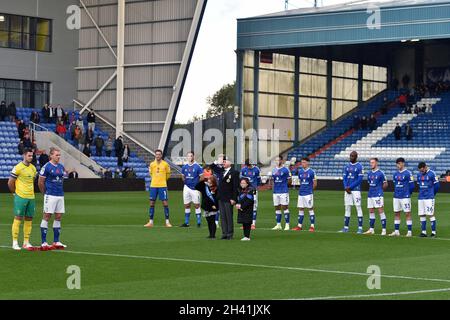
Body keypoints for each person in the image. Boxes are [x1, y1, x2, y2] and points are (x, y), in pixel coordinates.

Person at [8, 149, 38, 250]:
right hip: (20, 196)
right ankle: (15, 242)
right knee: (18, 218)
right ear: (24, 155)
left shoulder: (33, 168)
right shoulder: (17, 168)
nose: (31, 157)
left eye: (32, 156)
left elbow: (32, 180)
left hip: (31, 197)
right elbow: (10, 182)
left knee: (29, 218)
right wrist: (14, 193)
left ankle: (26, 242)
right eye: (29, 155)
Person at [38, 147, 67, 250]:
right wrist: (45, 193)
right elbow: (40, 182)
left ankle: (56, 241)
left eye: (59, 155)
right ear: (51, 155)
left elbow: (62, 180)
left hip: (60, 195)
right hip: (50, 195)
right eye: (56, 155)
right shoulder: (46, 167)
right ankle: (44, 242)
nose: (58, 157)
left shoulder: (61, 167)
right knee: (47, 216)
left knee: (58, 216)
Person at [145, 149, 172, 228]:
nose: (158, 156)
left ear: (161, 155)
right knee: (152, 203)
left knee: (165, 203)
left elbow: (168, 175)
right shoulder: (152, 164)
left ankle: (167, 222)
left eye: (159, 154)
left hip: (162, 186)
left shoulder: (165, 164)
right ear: (155, 155)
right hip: (153, 186)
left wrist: (163, 180)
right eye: (156, 154)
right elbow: (151, 174)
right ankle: (150, 222)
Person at [339, 151, 364, 234]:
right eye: (350, 156)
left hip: (355, 190)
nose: (351, 157)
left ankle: (360, 228)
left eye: (353, 156)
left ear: (356, 157)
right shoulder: (346, 166)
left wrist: (350, 187)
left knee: (358, 207)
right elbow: (344, 177)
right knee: (347, 207)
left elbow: (359, 180)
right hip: (347, 190)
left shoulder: (359, 166)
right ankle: (346, 227)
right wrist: (346, 187)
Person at [215, 156, 239, 240]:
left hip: (229, 198)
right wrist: (217, 161)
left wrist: (234, 198)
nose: (223, 163)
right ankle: (224, 233)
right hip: (221, 197)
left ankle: (230, 233)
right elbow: (211, 166)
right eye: (222, 162)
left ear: (230, 162)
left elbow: (235, 186)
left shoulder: (234, 172)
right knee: (222, 216)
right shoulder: (221, 171)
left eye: (225, 161)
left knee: (229, 215)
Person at [390, 158, 415, 237]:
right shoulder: (395, 174)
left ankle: (409, 232)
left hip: (405, 197)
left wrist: (408, 193)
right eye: (397, 164)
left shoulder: (408, 173)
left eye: (400, 163)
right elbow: (395, 184)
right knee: (396, 213)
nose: (398, 165)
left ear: (403, 164)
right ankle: (397, 231)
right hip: (396, 196)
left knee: (407, 213)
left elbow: (412, 186)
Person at [364, 158, 388, 236]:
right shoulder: (369, 173)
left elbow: (385, 183)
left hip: (378, 195)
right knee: (371, 211)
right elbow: (369, 183)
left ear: (376, 163)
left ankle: (384, 230)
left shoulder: (381, 173)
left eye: (373, 162)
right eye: (370, 162)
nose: (371, 164)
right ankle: (371, 229)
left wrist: (382, 189)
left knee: (380, 211)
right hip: (370, 194)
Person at [292, 157, 317, 232]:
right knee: (300, 209)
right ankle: (299, 226)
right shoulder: (300, 172)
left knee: (310, 209)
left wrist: (310, 191)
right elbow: (300, 181)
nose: (303, 164)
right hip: (301, 193)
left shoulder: (312, 172)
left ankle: (312, 226)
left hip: (308, 194)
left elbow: (315, 184)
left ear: (308, 163)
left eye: (304, 162)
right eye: (302, 162)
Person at [180, 152, 204, 228]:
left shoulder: (198, 167)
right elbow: (182, 176)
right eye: (188, 156)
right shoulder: (184, 167)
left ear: (194, 157)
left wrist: (197, 184)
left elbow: (202, 177)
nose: (189, 157)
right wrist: (185, 182)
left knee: (196, 205)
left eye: (191, 156)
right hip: (186, 187)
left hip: (195, 189)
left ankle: (199, 222)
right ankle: (186, 223)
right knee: (187, 205)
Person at [417, 162, 440, 237]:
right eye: (420, 171)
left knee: (430, 214)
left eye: (422, 170)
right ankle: (423, 232)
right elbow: (419, 185)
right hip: (421, 197)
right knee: (422, 214)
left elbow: (437, 186)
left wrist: (432, 194)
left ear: (425, 167)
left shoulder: (432, 173)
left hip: (429, 197)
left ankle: (433, 232)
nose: (421, 172)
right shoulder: (418, 174)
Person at [271, 155, 292, 231]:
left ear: (282, 161)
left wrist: (284, 185)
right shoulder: (273, 170)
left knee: (285, 207)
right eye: (276, 160)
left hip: (283, 191)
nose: (277, 162)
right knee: (277, 207)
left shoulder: (286, 170)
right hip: (276, 192)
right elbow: (273, 180)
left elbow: (290, 180)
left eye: (278, 160)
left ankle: (287, 224)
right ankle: (278, 224)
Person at [240, 159, 261, 229]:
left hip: (253, 190)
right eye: (247, 166)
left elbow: (258, 180)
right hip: (245, 190)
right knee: (244, 206)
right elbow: (242, 180)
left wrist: (254, 187)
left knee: (254, 206)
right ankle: (244, 223)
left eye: (250, 165)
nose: (249, 167)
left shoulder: (256, 169)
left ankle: (253, 224)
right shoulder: (243, 170)